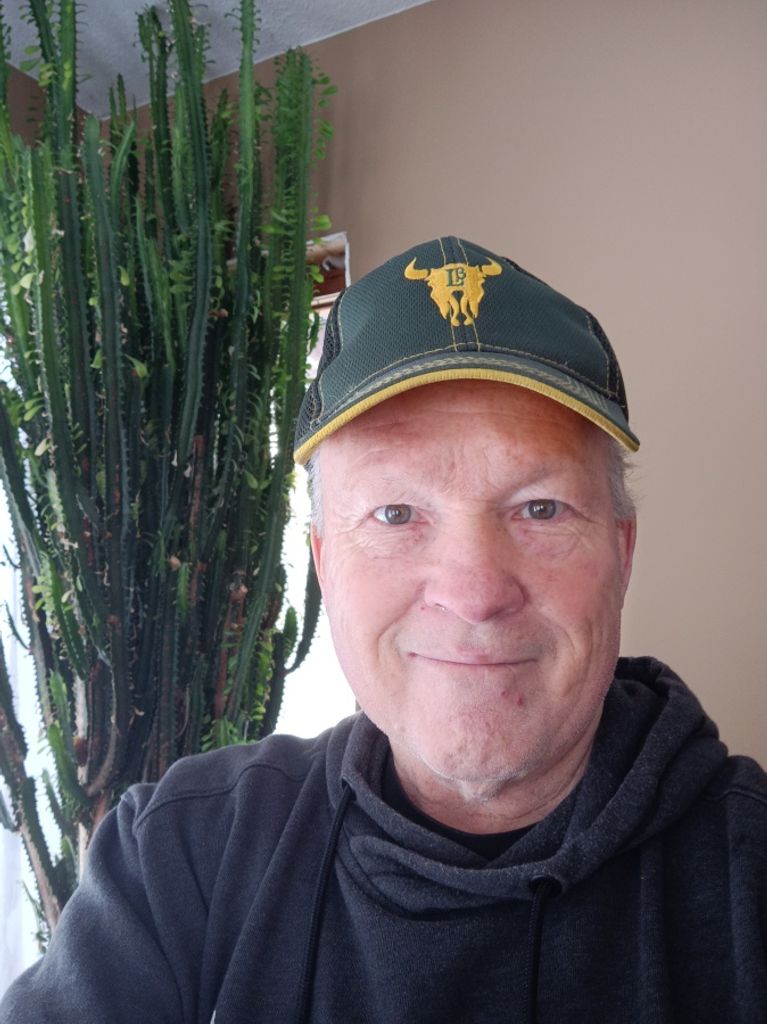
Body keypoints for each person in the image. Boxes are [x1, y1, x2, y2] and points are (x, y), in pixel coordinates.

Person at [1, 236, 765, 1023]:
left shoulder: (748, 866)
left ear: (621, 551)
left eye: (539, 508)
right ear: (324, 562)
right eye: (395, 514)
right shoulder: (178, 860)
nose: (473, 594)